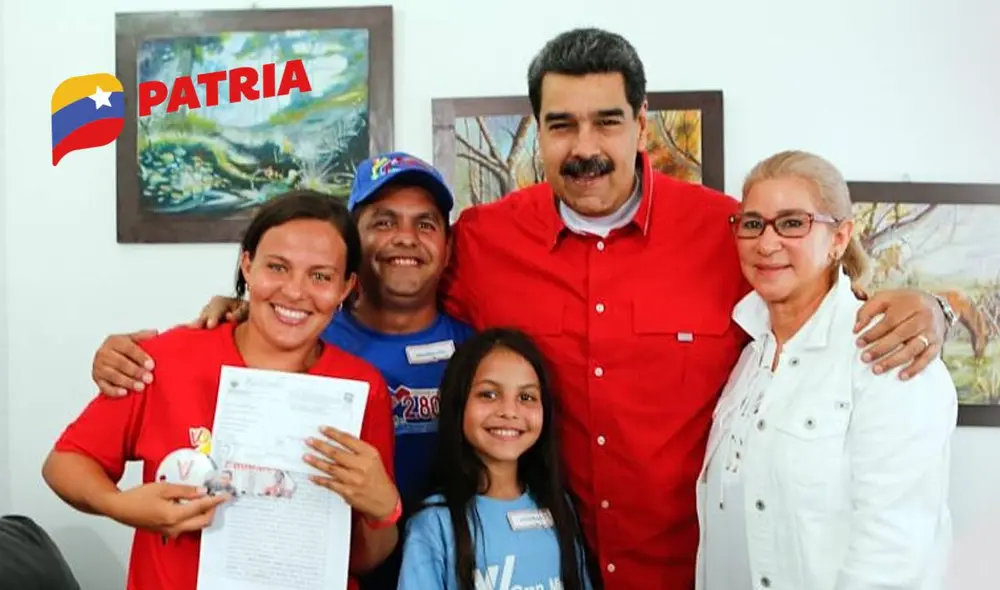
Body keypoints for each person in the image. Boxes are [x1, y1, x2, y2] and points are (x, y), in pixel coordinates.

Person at [82, 29, 956, 589]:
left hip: (686, 571)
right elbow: (382, 290)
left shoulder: (722, 230)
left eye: (607, 122)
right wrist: (228, 316)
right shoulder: (484, 241)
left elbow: (805, 283)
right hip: (519, 565)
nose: (585, 147)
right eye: (562, 124)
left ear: (641, 124)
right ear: (537, 129)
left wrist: (935, 308)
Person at [88, 151, 474, 590]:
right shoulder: (294, 329)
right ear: (355, 245)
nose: (404, 238)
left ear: (447, 246)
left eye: (425, 224)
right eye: (383, 222)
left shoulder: (472, 349)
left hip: (437, 564)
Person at [41, 190, 401, 590]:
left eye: (320, 276)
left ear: (347, 286)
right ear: (247, 263)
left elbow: (364, 557)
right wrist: (121, 505)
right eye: (277, 267)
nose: (295, 292)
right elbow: (66, 463)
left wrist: (384, 508)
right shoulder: (165, 358)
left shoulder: (361, 387)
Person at [694, 150, 956, 590]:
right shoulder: (748, 359)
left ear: (839, 238)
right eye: (752, 223)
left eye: (793, 222)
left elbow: (894, 553)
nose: (767, 242)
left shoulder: (884, 354)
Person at [397, 328, 595, 590]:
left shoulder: (560, 506)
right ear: (458, 403)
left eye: (526, 397)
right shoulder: (434, 522)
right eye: (489, 394)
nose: (509, 411)